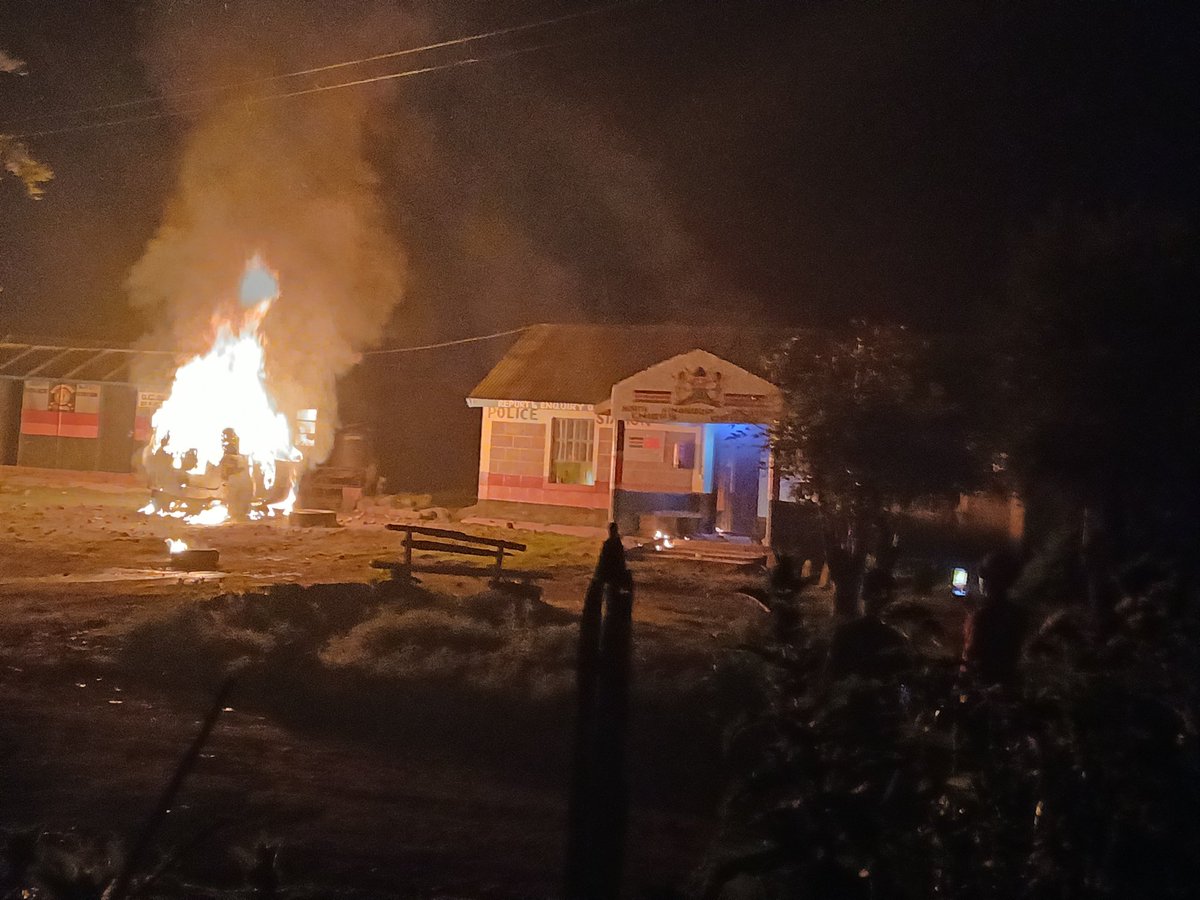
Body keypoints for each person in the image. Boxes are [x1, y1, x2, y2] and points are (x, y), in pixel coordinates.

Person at [960, 549, 1026, 687]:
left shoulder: (982, 616)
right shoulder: (1018, 613)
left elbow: (971, 655)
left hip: (982, 687)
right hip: (1007, 685)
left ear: (987, 581)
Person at [826, 586, 909, 681]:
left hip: (847, 682)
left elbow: (832, 669)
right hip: (875, 683)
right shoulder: (895, 637)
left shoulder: (842, 631)